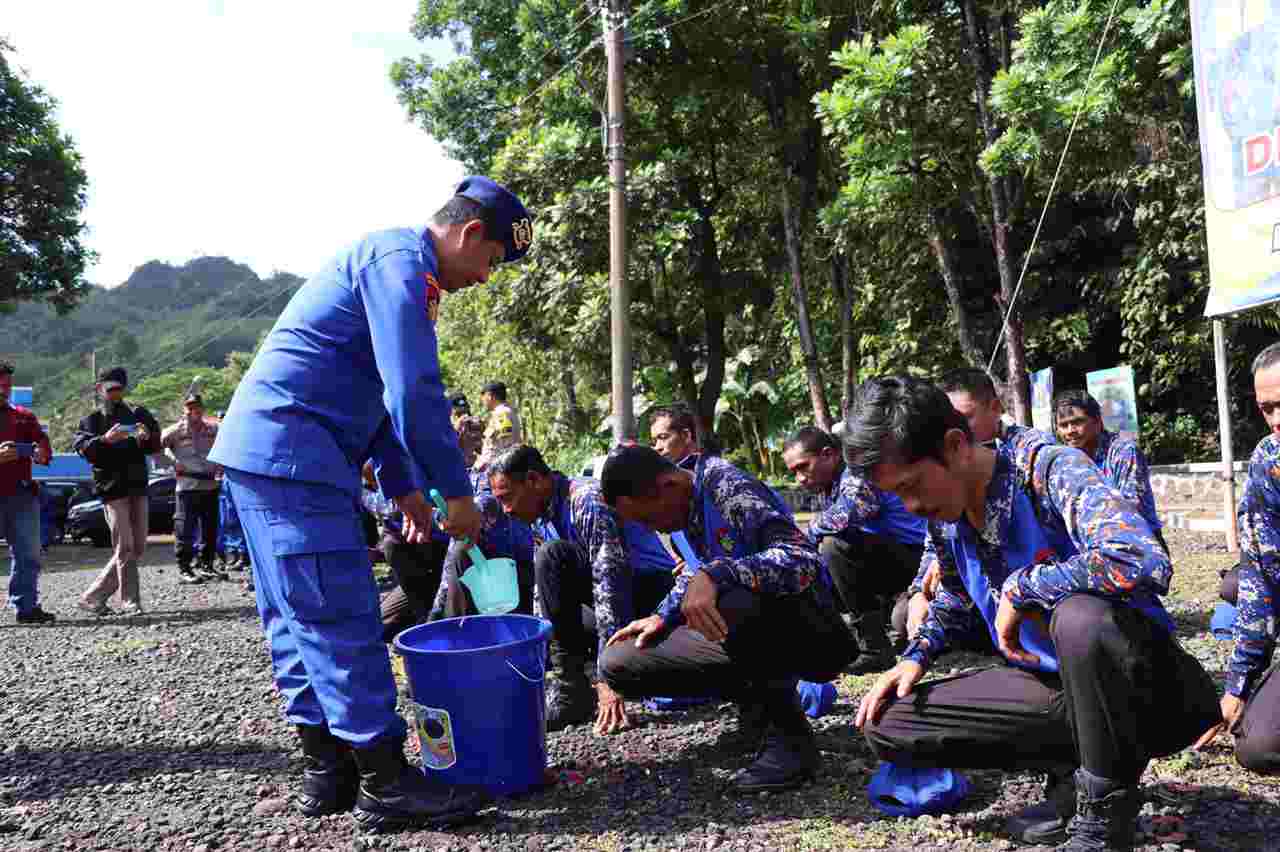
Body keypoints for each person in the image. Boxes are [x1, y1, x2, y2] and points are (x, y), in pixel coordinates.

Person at [208, 176, 532, 831]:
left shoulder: (390, 265)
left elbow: (379, 396)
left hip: (266, 457)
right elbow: (414, 393)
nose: (487, 277)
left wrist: (406, 489)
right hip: (295, 458)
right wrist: (456, 495)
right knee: (342, 616)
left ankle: (326, 774)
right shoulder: (402, 266)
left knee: (296, 622)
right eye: (493, 260)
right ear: (471, 234)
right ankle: (386, 784)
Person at [847, 376, 1217, 851]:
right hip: (1058, 688)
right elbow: (959, 598)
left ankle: (1105, 819)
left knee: (1078, 617)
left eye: (913, 486)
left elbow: (1142, 559)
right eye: (898, 497)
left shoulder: (1047, 468)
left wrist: (1023, 587)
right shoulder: (947, 517)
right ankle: (1071, 780)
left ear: (956, 446)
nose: (912, 506)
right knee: (890, 720)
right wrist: (915, 656)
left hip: (1150, 693)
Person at [598, 445, 856, 791]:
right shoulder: (683, 506)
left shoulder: (727, 487)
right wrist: (663, 616)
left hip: (814, 632)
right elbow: (697, 572)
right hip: (747, 628)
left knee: (731, 595)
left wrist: (720, 573)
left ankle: (792, 742)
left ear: (667, 485)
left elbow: (802, 560)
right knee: (621, 659)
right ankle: (756, 713)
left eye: (648, 519)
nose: (652, 528)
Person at [486, 444, 676, 734]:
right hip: (611, 598)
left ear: (534, 481)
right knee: (541, 578)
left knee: (552, 556)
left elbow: (611, 586)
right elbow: (546, 594)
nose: (506, 510)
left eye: (507, 497)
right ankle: (571, 683)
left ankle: (574, 690)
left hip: (651, 595)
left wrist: (609, 678)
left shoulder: (586, 500)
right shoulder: (541, 513)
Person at [893, 368, 1024, 648]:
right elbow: (937, 546)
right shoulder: (945, 478)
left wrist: (1021, 588)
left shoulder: (1029, 460)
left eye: (965, 418)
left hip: (1040, 608)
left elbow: (1130, 554)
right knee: (906, 614)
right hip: (983, 594)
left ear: (995, 407)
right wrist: (919, 591)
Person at [1197, 342, 1280, 773]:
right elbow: (1262, 580)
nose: (1278, 420)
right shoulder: (1270, 461)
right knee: (1257, 746)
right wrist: (1238, 686)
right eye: (1269, 408)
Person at [781, 425, 924, 673]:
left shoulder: (858, 469)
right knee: (817, 561)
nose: (800, 478)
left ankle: (875, 648)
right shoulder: (830, 485)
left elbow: (845, 516)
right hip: (890, 560)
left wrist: (806, 536)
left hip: (918, 557)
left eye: (803, 466)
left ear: (828, 454)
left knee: (833, 546)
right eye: (794, 472)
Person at [74, 367, 162, 617]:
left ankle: (93, 596)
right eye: (109, 388)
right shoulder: (91, 419)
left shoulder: (138, 413)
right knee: (124, 547)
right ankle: (130, 601)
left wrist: (147, 437)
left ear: (124, 388)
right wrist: (105, 440)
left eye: (118, 388)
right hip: (111, 489)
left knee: (138, 547)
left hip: (138, 485)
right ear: (100, 388)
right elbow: (82, 448)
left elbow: (156, 445)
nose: (113, 392)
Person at [1053, 389, 1165, 550]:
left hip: (1140, 547)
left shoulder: (1123, 451)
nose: (1070, 430)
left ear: (1098, 422)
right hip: (1095, 548)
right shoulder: (1067, 460)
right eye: (1063, 425)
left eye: (1078, 422)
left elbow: (1131, 507)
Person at [0, 360, 56, 624]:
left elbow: (44, 450)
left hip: (21, 495)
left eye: (7, 385)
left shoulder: (24, 416)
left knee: (29, 552)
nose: (4, 390)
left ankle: (26, 607)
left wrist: (40, 452)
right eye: (0, 385)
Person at [162, 393, 224, 585]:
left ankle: (207, 565)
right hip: (187, 486)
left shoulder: (214, 429)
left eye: (196, 407)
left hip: (210, 485)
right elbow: (157, 448)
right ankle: (185, 568)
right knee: (184, 529)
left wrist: (221, 464)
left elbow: (227, 443)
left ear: (202, 409)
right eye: (189, 408)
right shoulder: (174, 431)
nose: (192, 411)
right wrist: (172, 462)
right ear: (184, 410)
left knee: (210, 529)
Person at [475, 382, 523, 469]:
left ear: (489, 396)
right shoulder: (504, 412)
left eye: (483, 397)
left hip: (498, 468)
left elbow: (504, 444)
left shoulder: (502, 413)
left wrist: (483, 464)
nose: (483, 401)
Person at [649, 404, 701, 470]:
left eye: (663, 437)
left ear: (686, 435)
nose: (657, 447)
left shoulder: (712, 470)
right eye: (654, 442)